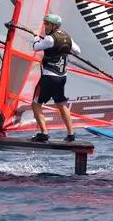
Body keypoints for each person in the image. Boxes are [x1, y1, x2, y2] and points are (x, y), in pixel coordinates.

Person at [30, 13, 78, 143]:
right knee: (61, 104)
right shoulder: (67, 36)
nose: (45, 26)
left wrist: (35, 37)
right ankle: (70, 134)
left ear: (54, 26)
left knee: (36, 104)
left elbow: (35, 47)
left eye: (47, 24)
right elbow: (77, 51)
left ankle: (44, 133)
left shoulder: (50, 39)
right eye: (45, 23)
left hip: (49, 77)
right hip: (62, 77)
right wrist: (64, 49)